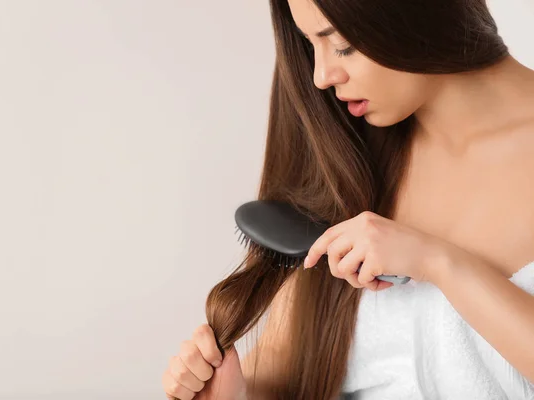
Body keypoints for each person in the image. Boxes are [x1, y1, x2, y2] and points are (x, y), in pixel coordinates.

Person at [162, 0, 534, 398]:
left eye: (341, 45)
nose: (322, 76)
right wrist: (233, 394)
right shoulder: (346, 160)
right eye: (311, 45)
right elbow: (289, 369)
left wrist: (439, 264)